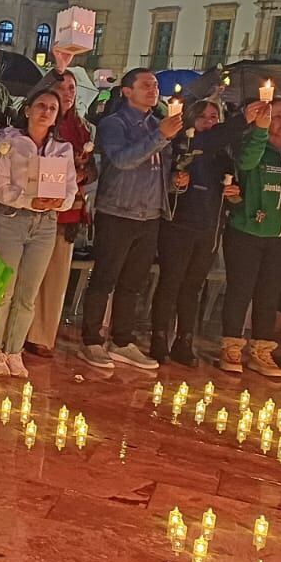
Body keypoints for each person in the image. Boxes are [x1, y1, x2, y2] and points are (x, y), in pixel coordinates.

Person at [76, 69, 181, 373]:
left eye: (155, 85)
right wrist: (160, 135)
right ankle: (91, 339)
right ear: (126, 91)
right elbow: (122, 160)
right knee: (105, 277)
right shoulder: (114, 124)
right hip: (118, 211)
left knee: (133, 282)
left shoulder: (155, 124)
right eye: (145, 85)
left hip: (149, 213)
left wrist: (176, 181)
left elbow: (160, 167)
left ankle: (122, 340)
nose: (153, 89)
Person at [0, 89, 77, 376]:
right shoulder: (8, 142)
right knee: (3, 288)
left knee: (28, 292)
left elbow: (70, 187)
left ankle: (14, 350)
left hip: (45, 223)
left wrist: (60, 202)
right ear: (27, 110)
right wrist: (27, 200)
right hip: (12, 218)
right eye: (41, 106)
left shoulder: (62, 149)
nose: (46, 112)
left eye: (52, 108)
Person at [219, 98, 281, 377]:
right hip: (247, 231)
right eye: (277, 115)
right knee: (241, 290)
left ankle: (262, 349)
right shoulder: (252, 146)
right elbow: (246, 163)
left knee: (269, 293)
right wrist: (259, 130)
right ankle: (232, 344)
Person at [147, 99, 246, 367]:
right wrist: (176, 183)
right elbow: (164, 182)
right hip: (179, 225)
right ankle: (158, 337)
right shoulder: (182, 145)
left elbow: (235, 191)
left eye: (214, 117)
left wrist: (234, 192)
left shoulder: (224, 155)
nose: (209, 122)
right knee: (171, 282)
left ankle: (185, 340)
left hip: (209, 227)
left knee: (192, 286)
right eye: (203, 117)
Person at [24, 69, 94, 355]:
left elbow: (92, 169)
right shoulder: (42, 125)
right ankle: (18, 331)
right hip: (33, 205)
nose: (67, 92)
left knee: (54, 276)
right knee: (29, 274)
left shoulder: (82, 127)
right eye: (61, 86)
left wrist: (82, 172)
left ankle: (42, 335)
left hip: (67, 209)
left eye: (72, 88)